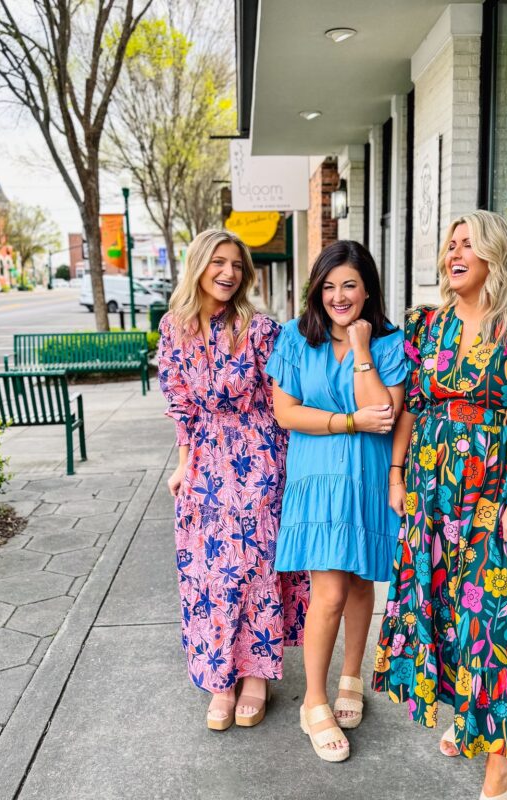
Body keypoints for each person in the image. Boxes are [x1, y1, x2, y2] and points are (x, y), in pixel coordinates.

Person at [372, 211, 507, 800]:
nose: (453, 254)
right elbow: (408, 406)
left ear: (496, 255)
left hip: (494, 495)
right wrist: (397, 472)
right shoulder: (424, 326)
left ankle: (499, 761)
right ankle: (469, 718)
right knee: (440, 612)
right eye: (450, 245)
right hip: (431, 494)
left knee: (492, 622)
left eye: (468, 245)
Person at [158, 229, 308, 732]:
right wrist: (183, 464)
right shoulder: (173, 327)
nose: (228, 273)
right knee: (209, 576)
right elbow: (179, 403)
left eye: (237, 266)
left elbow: (281, 396)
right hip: (205, 461)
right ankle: (220, 679)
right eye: (218, 262)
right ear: (197, 265)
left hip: (260, 458)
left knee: (256, 570)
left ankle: (257, 677)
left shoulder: (260, 328)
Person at [266, 240, 407, 762]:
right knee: (326, 590)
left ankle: (352, 675)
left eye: (348, 284)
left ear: (367, 286)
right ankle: (315, 701)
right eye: (328, 286)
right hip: (318, 478)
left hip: (368, 478)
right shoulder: (295, 339)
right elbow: (286, 412)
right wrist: (347, 421)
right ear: (315, 290)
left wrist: (363, 348)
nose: (338, 295)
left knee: (359, 581)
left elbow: (386, 413)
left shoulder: (391, 344)